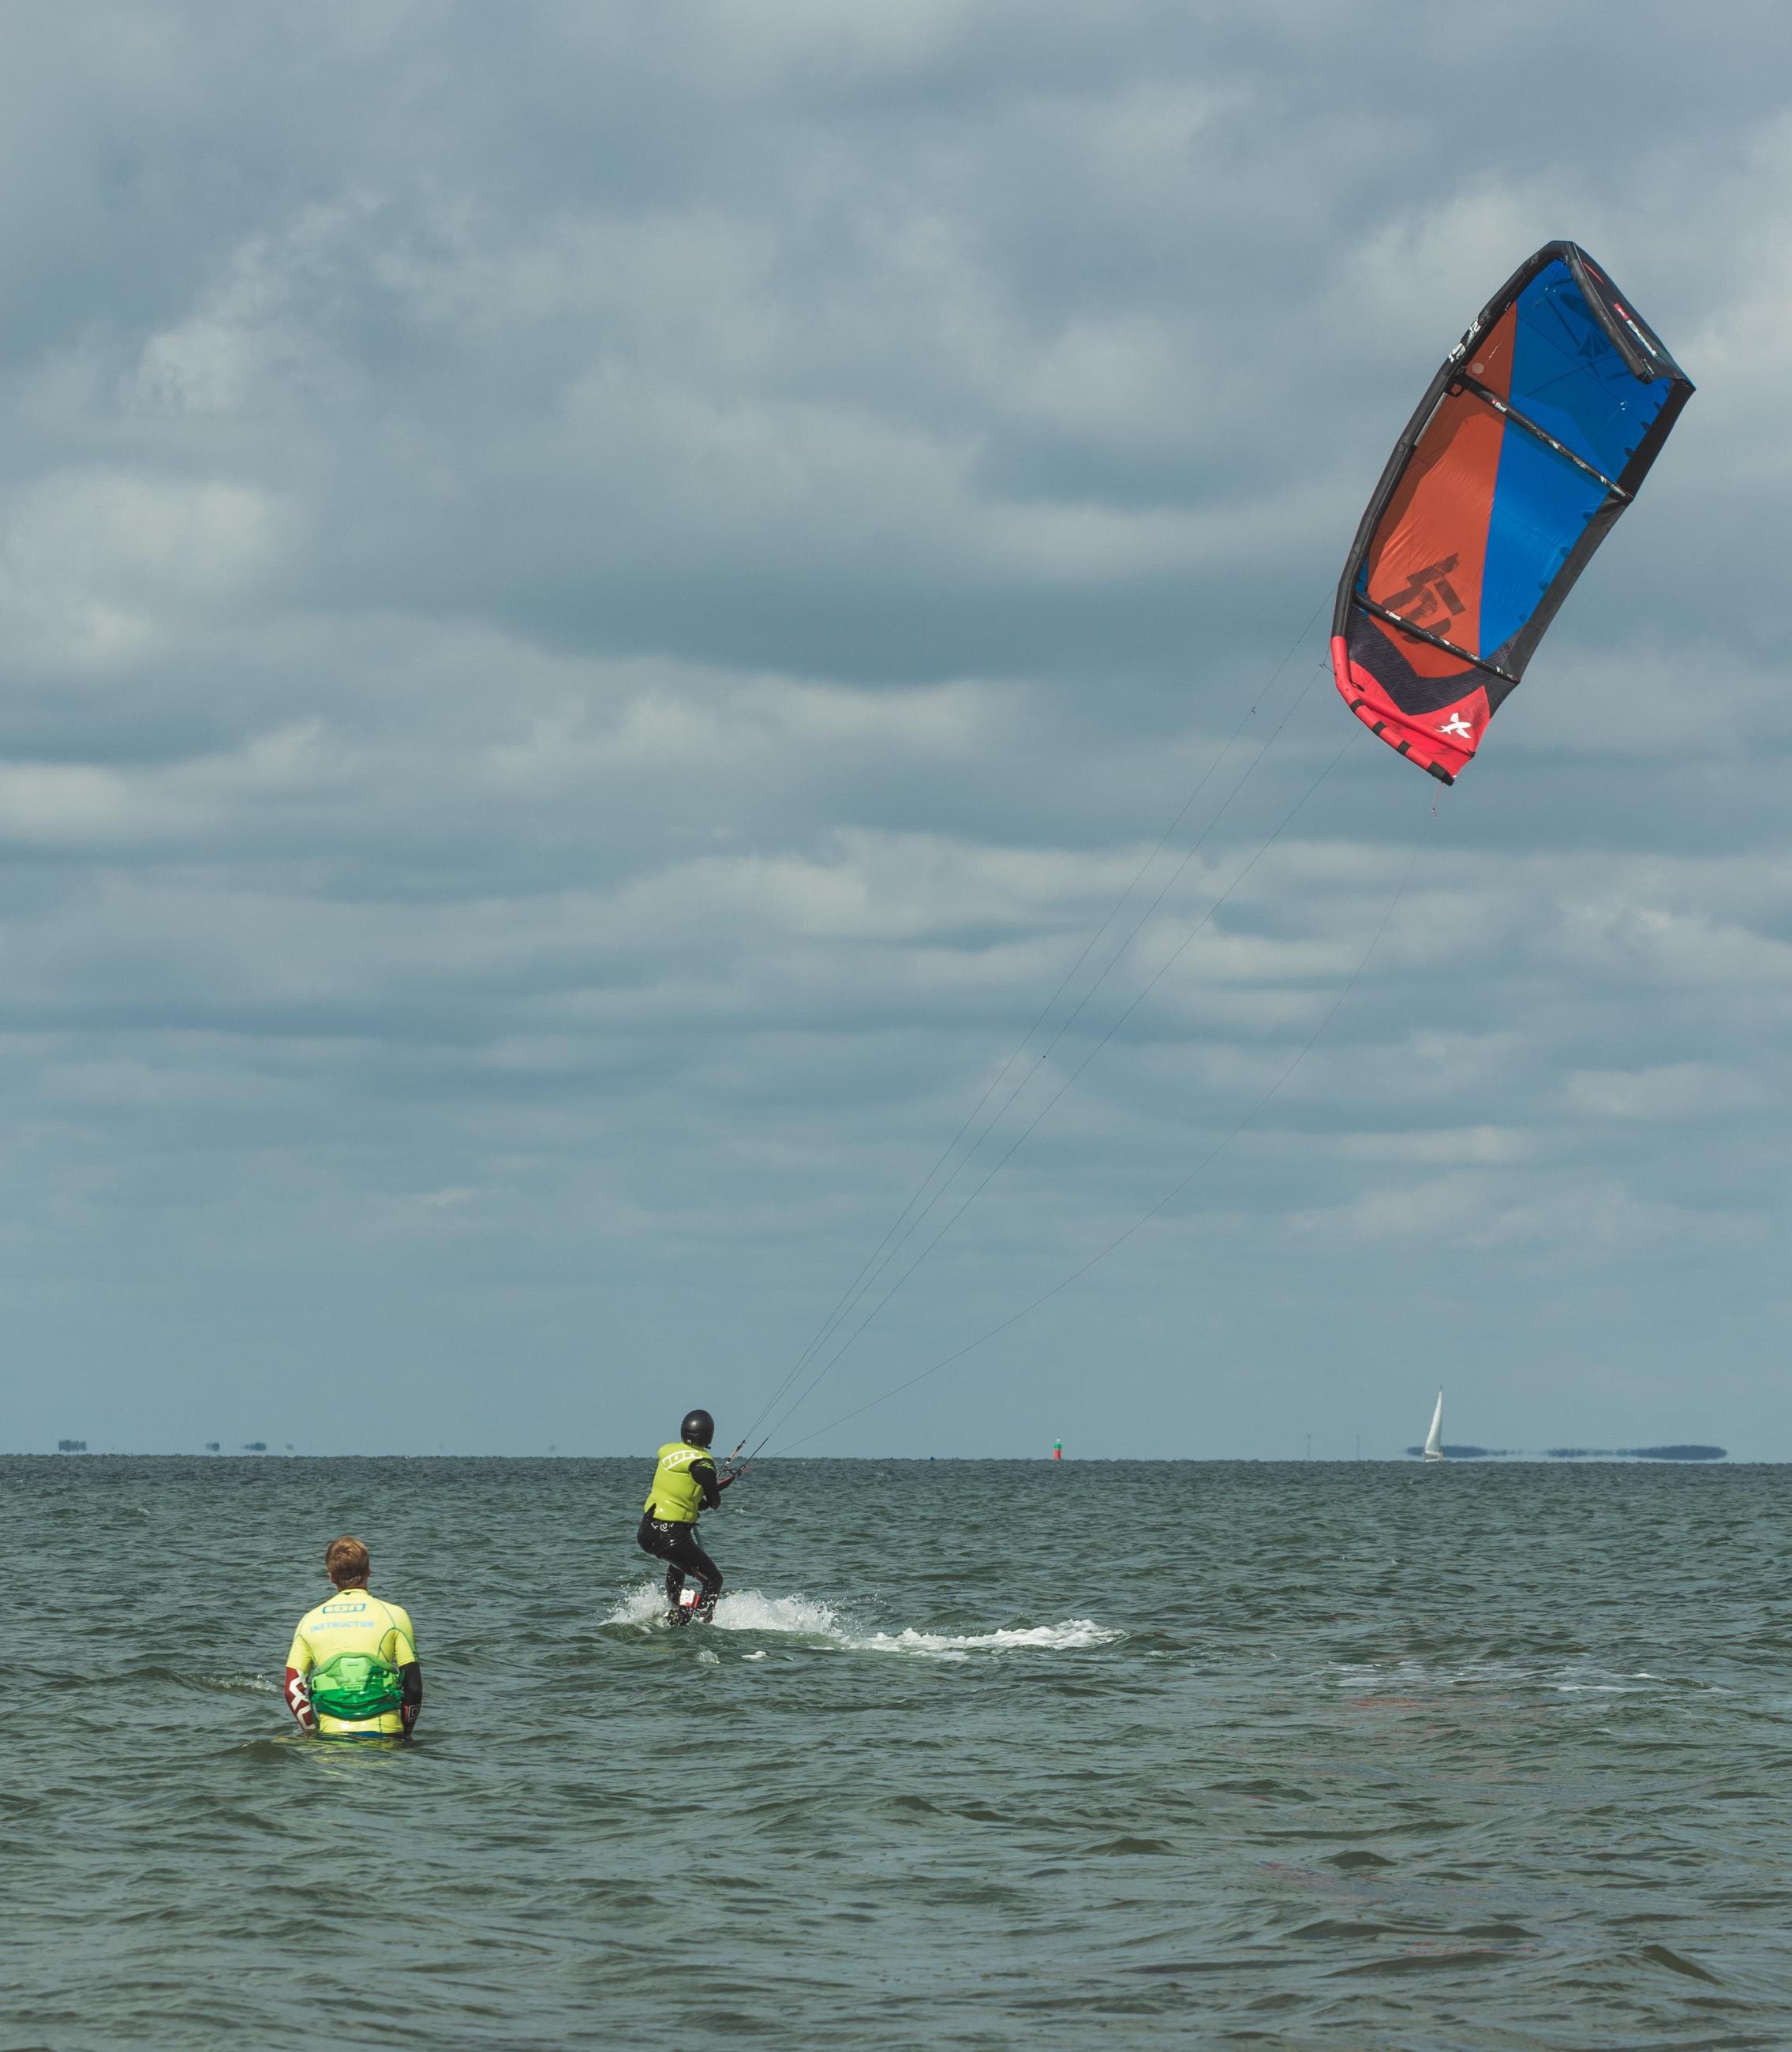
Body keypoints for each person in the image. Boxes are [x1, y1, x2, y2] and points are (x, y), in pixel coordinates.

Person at [284, 1535, 423, 1739]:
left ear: (331, 1576)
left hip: (331, 1736)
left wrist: (313, 1732)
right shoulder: (395, 1615)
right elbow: (413, 1687)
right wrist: (405, 1735)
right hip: (385, 1733)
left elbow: (292, 1690)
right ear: (368, 1571)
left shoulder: (308, 1621)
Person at [638, 1408, 735, 1623]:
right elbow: (714, 1502)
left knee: (677, 1564)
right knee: (714, 1581)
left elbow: (682, 1488)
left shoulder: (667, 1451)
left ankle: (674, 1607)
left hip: (647, 1531)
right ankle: (697, 1621)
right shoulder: (703, 1463)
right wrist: (716, 1491)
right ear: (708, 1435)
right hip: (672, 1536)